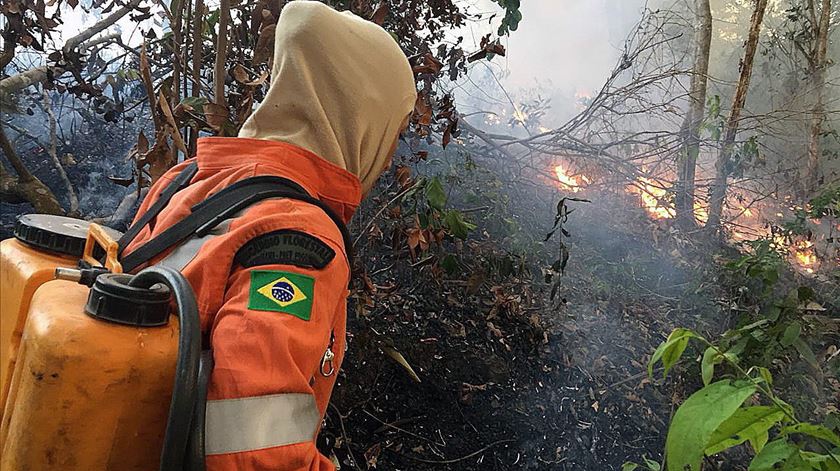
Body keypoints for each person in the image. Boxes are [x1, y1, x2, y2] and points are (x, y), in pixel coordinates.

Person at [121, 2, 416, 469]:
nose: (391, 147)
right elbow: (256, 456)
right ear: (361, 114)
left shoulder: (189, 178)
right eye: (393, 128)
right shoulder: (299, 234)